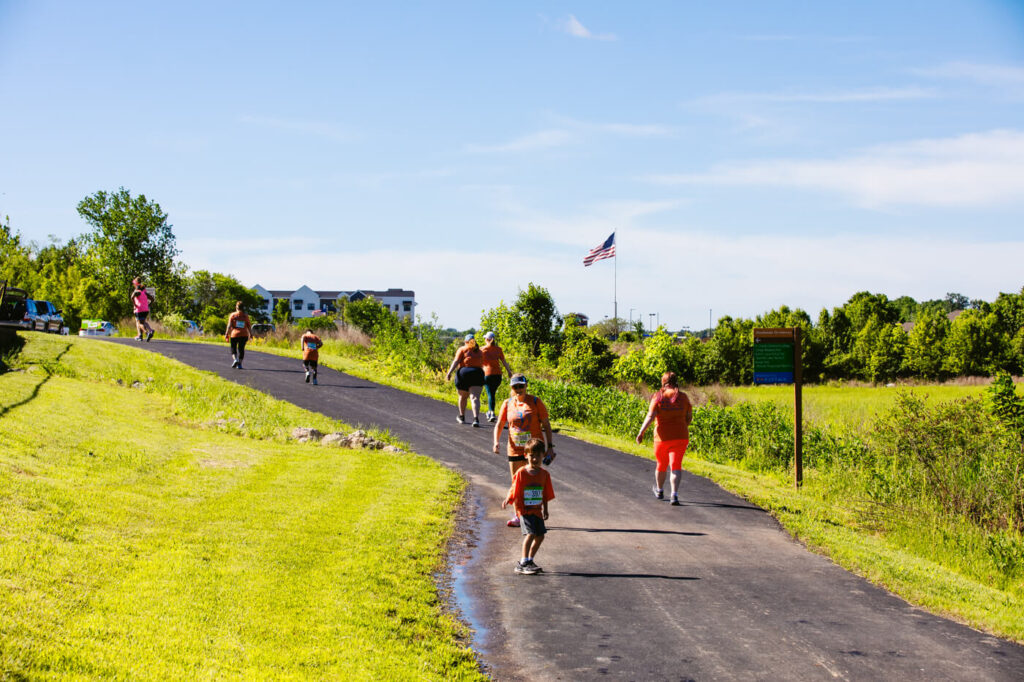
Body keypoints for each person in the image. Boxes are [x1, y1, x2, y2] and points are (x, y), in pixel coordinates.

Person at [493, 373, 554, 527]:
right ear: (511, 388)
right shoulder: (507, 403)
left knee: (533, 482)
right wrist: (496, 442)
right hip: (514, 449)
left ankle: (534, 513)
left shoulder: (535, 402)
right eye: (515, 386)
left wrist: (550, 447)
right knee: (517, 483)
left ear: (526, 386)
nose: (519, 389)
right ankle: (518, 515)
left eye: (521, 386)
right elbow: (499, 425)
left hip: (533, 449)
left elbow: (546, 425)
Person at [636, 371, 693, 506]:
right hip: (680, 436)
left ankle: (660, 490)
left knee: (661, 464)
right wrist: (682, 426)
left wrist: (641, 432)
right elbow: (689, 417)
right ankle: (674, 495)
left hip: (662, 438)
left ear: (663, 382)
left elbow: (650, 416)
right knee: (676, 466)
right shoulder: (683, 397)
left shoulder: (658, 396)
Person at [502, 438, 555, 574]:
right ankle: (523, 562)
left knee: (540, 536)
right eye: (532, 455)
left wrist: (546, 510)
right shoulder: (521, 472)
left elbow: (545, 493)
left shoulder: (544, 475)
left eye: (538, 456)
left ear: (543, 456)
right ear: (526, 455)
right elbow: (514, 487)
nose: (535, 459)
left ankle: (530, 560)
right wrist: (508, 498)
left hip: (537, 511)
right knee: (530, 534)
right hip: (525, 511)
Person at [445, 333, 485, 427]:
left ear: (466, 341)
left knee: (463, 397)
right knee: (475, 397)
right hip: (477, 373)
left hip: (464, 373)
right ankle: (476, 419)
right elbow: (482, 363)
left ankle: (462, 416)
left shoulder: (462, 349)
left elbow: (456, 361)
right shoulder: (479, 351)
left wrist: (449, 372)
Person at [481, 331, 513, 423]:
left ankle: (491, 412)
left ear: (487, 339)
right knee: (492, 393)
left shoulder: (482, 349)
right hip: (498, 375)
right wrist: (509, 372)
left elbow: (478, 362)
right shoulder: (498, 349)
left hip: (487, 374)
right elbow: (504, 362)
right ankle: (490, 411)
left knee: (490, 393)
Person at [224, 301, 253, 369]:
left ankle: (235, 359)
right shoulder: (245, 316)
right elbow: (249, 326)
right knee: (241, 349)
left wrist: (226, 334)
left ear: (236, 307)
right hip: (244, 334)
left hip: (234, 334)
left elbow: (229, 325)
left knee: (233, 348)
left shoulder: (233, 315)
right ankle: (239, 364)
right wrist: (250, 334)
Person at [130, 277, 154, 342]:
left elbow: (132, 297)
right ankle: (141, 335)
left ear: (136, 284)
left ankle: (147, 333)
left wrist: (135, 305)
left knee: (139, 323)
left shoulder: (137, 292)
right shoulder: (144, 291)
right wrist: (149, 305)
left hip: (139, 309)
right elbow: (152, 299)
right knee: (143, 322)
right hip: (146, 309)